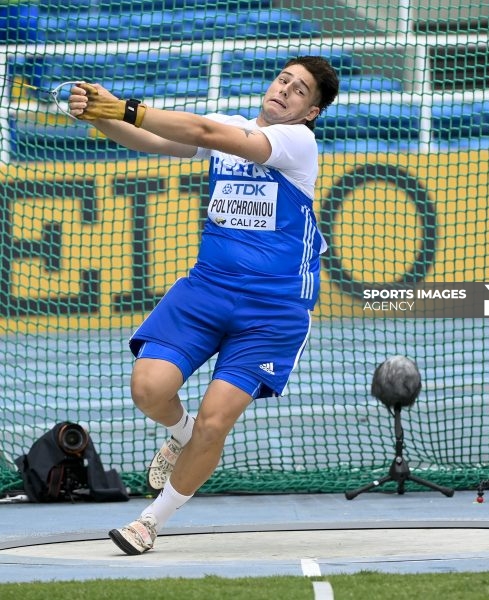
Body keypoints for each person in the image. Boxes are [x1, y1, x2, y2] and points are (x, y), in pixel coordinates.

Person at [68, 55, 339, 556]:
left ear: (310, 112)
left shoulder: (296, 142)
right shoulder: (230, 125)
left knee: (216, 421)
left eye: (299, 90)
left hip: (272, 310)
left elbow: (205, 132)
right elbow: (150, 140)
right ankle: (182, 433)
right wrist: (98, 115)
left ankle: (150, 521)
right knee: (149, 389)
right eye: (283, 79)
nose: (284, 89)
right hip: (207, 288)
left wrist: (124, 106)